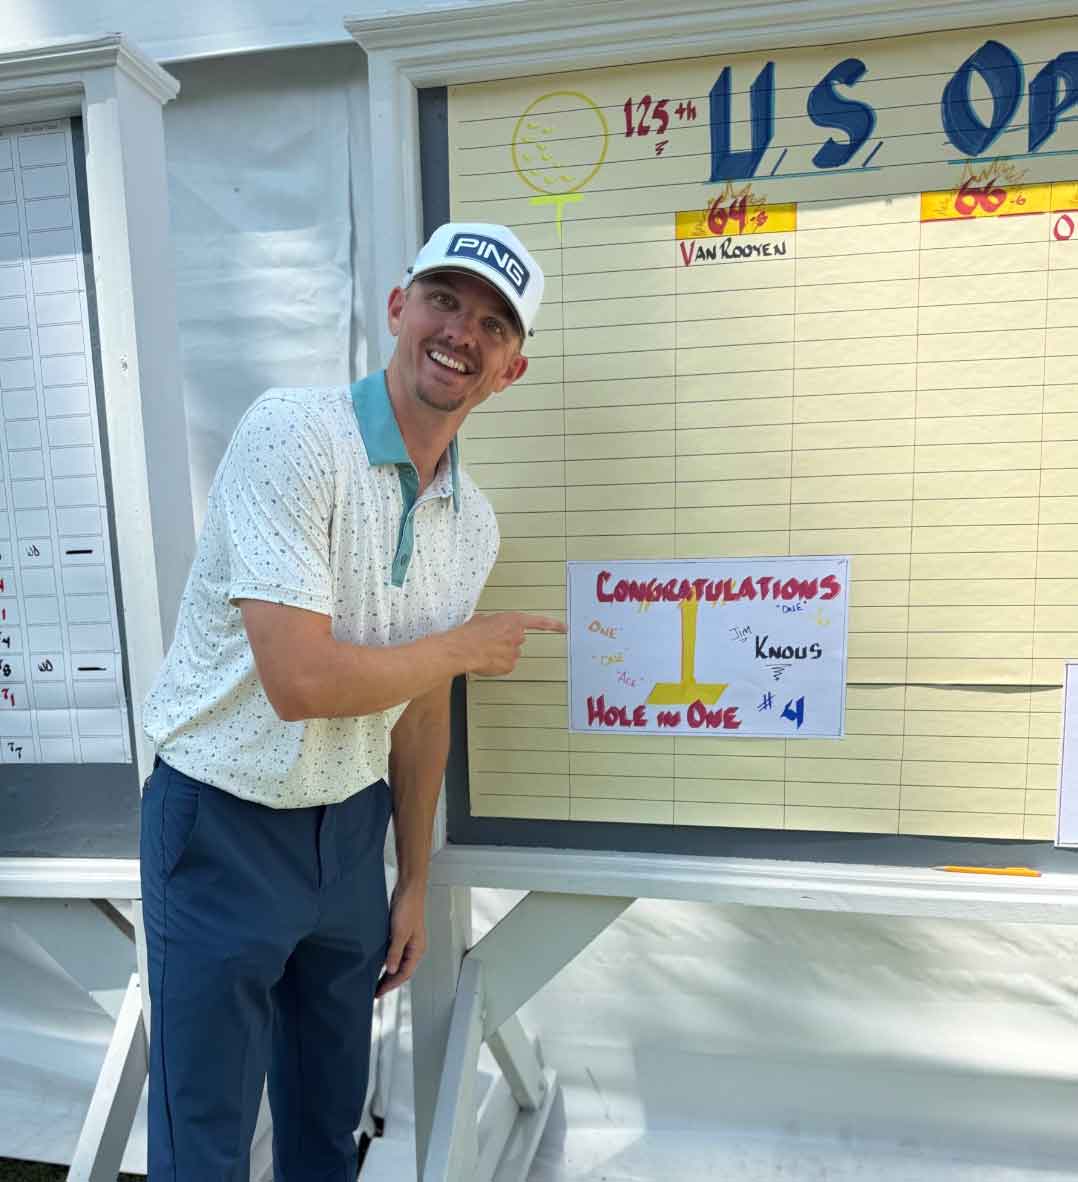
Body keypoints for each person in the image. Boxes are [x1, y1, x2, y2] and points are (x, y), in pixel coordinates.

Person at [140, 221, 564, 1181]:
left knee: (328, 1129)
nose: (462, 331)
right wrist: (460, 647)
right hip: (218, 825)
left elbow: (419, 710)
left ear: (511, 371)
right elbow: (299, 680)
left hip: (349, 839)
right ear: (397, 308)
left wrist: (411, 878)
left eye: (494, 324)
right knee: (202, 1141)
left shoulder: (474, 519)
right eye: (445, 300)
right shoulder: (294, 433)